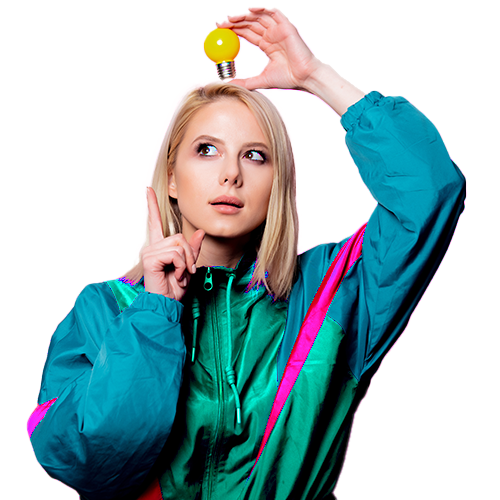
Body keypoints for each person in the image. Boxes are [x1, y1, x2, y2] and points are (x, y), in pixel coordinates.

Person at [27, 6, 466, 500]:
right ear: (171, 178)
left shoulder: (332, 295)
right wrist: (155, 313)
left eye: (255, 156)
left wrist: (316, 77)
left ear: (277, 183)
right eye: (207, 150)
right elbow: (86, 461)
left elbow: (430, 191)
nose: (231, 173)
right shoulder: (105, 310)